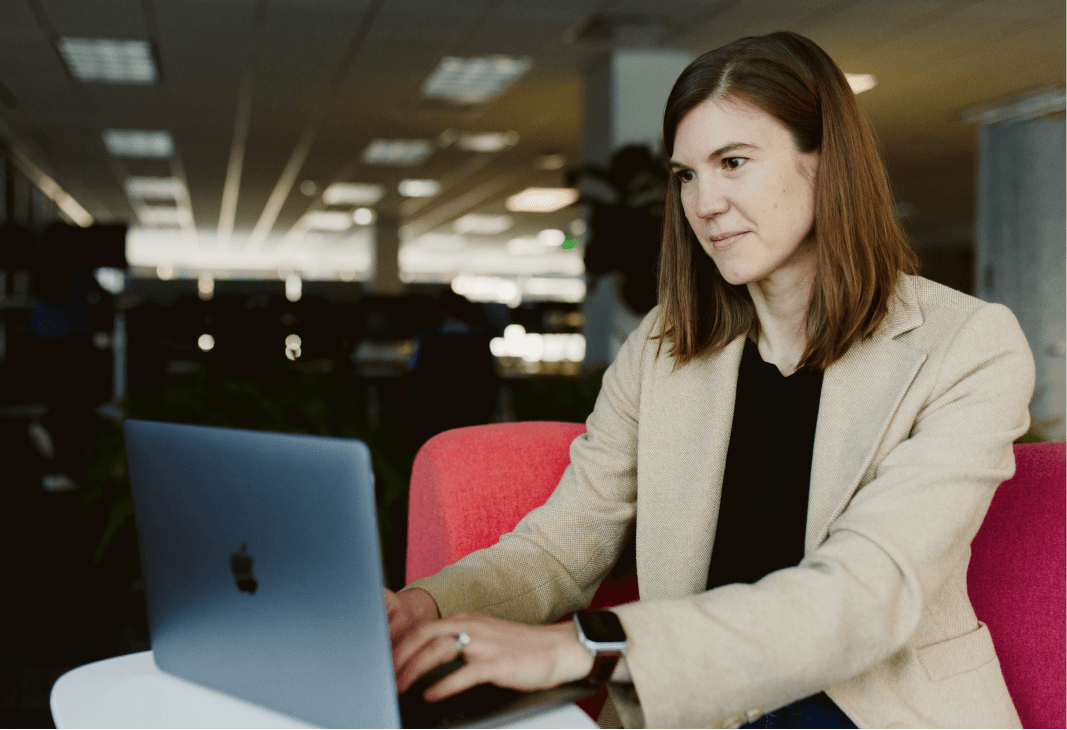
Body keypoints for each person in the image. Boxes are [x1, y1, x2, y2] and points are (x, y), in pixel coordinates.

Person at [384, 31, 1034, 730]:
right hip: (697, 708)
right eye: (685, 175)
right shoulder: (662, 349)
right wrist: (425, 607)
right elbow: (561, 546)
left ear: (825, 164)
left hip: (871, 710)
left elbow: (864, 593)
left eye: (732, 162)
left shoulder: (967, 344)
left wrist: (582, 648)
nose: (704, 203)